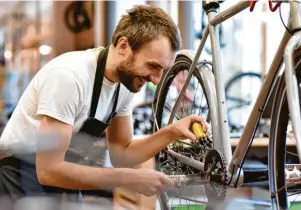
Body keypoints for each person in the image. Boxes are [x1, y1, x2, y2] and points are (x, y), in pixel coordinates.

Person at [0, 5, 209, 201]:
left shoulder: (124, 86)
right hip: (20, 181)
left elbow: (122, 153)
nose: (156, 79)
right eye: (152, 66)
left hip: (63, 183)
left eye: (162, 70)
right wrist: (128, 178)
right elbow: (48, 170)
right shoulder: (69, 77)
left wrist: (171, 132)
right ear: (123, 46)